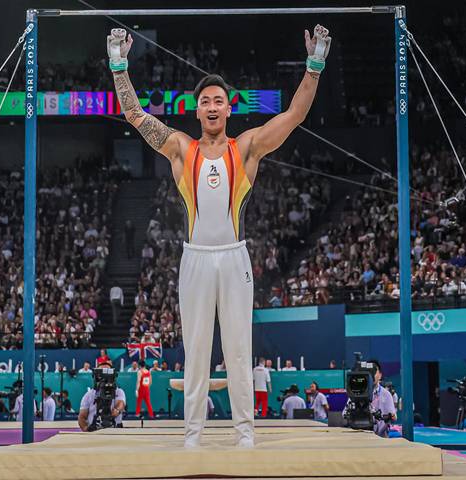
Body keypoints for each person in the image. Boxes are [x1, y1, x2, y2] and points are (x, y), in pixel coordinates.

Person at [108, 23, 331, 449]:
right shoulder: (180, 148)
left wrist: (314, 65)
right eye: (205, 102)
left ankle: (245, 433)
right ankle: (192, 435)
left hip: (233, 258)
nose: (212, 107)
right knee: (195, 350)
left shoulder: (246, 147)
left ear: (229, 109)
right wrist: (119, 66)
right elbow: (135, 115)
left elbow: (295, 115)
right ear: (197, 112)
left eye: (218, 101)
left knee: (238, 349)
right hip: (195, 258)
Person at [370, 361, 396, 437]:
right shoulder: (356, 393)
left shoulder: (386, 394)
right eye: (368, 372)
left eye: (374, 372)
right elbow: (344, 415)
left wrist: (392, 416)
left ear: (380, 375)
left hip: (381, 438)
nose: (371, 375)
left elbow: (394, 417)